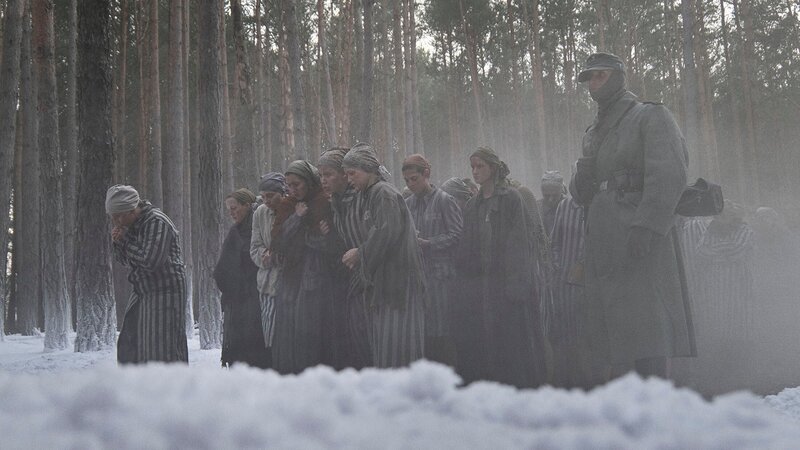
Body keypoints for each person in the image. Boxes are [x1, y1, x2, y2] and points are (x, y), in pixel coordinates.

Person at [570, 52, 695, 381]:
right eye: (589, 78)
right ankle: (623, 410)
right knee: (612, 329)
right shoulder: (594, 132)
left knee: (648, 326)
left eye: (600, 75)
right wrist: (581, 177)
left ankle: (654, 407)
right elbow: (582, 196)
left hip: (637, 233)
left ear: (618, 77)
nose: (593, 84)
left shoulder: (649, 115)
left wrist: (648, 227)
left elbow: (668, 174)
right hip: (604, 238)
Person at [454, 147, 547, 388]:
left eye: (480, 166)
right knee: (484, 340)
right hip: (482, 285)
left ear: (492, 168)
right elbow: (467, 247)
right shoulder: (474, 205)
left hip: (506, 285)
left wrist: (516, 287)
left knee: (511, 340)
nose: (475, 172)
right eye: (472, 167)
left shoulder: (511, 198)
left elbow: (519, 245)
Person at [341, 143, 426, 368]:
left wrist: (360, 253)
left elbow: (386, 233)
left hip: (399, 283)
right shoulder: (372, 195)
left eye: (353, 173)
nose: (349, 179)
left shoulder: (383, 193)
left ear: (368, 169)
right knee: (388, 347)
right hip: (388, 282)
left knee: (398, 348)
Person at [272, 161, 348, 374]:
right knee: (289, 332)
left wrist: (313, 237)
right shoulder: (288, 206)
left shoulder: (324, 203)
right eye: (289, 185)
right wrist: (297, 218)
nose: (292, 190)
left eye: (297, 184)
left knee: (313, 331)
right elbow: (278, 242)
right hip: (290, 278)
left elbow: (334, 243)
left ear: (309, 182)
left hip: (317, 278)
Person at [107, 185, 188, 364]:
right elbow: (127, 261)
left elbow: (150, 260)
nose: (117, 222)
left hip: (166, 290)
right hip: (143, 289)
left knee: (161, 349)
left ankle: (168, 389)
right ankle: (137, 387)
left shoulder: (156, 222)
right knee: (130, 343)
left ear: (129, 210)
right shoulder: (134, 225)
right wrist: (118, 243)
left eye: (118, 216)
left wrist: (125, 241)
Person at [402, 154, 463, 366]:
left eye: (414, 179)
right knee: (423, 332)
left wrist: (429, 243)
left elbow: (457, 235)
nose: (410, 184)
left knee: (443, 332)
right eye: (407, 181)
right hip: (418, 278)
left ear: (426, 174)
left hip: (442, 278)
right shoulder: (408, 204)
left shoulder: (445, 201)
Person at [319, 147, 373, 369]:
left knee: (369, 335)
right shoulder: (336, 203)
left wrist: (361, 252)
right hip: (352, 278)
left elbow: (375, 235)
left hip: (372, 276)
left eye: (328, 174)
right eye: (320, 175)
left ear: (344, 174)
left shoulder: (360, 199)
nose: (323, 180)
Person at [214, 189, 271, 369]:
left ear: (247, 205)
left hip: (254, 295)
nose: (231, 213)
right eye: (229, 209)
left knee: (254, 344)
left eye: (234, 208)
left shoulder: (257, 226)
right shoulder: (236, 231)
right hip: (238, 298)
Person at [250, 173, 295, 364]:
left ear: (282, 193)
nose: (266, 201)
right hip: (267, 284)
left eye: (270, 196)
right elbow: (254, 246)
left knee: (289, 334)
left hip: (289, 281)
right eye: (264, 196)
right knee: (270, 334)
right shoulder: (260, 213)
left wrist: (279, 255)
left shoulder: (292, 210)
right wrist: (264, 257)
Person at [538, 171, 567, 237]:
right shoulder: (537, 208)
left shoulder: (569, 208)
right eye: (546, 195)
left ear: (561, 192)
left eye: (555, 195)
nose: (550, 200)